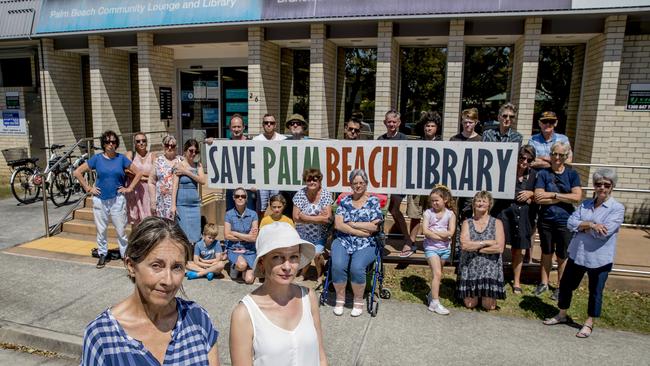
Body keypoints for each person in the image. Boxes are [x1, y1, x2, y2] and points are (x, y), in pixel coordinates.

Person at [81, 217, 220, 365]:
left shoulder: (198, 319)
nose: (168, 280)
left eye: (177, 267)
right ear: (131, 266)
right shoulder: (102, 336)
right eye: (156, 265)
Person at [229, 222, 327, 365]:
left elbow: (320, 356)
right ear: (262, 263)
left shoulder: (308, 297)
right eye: (277, 257)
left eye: (293, 257)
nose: (287, 267)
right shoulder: (244, 314)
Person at [543, 168, 625, 338]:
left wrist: (584, 226)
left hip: (600, 258)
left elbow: (605, 233)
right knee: (566, 285)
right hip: (578, 253)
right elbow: (571, 222)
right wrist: (592, 225)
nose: (602, 187)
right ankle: (562, 314)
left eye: (606, 185)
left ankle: (589, 323)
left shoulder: (617, 208)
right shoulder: (586, 204)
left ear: (612, 186)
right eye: (598, 184)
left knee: (595, 291)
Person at [74, 130, 143, 268]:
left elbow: (139, 172)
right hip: (100, 199)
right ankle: (102, 254)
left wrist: (129, 188)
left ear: (116, 143)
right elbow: (77, 172)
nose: (110, 144)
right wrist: (89, 188)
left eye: (113, 141)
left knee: (121, 230)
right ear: (103, 144)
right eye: (107, 142)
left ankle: (124, 255)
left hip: (117, 199)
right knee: (101, 230)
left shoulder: (121, 158)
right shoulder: (97, 159)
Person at [533, 141, 582, 299]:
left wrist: (553, 195)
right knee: (546, 252)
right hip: (546, 218)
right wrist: (562, 198)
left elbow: (576, 197)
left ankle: (561, 286)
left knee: (562, 255)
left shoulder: (572, 174)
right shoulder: (543, 174)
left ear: (566, 156)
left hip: (565, 220)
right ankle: (543, 283)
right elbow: (539, 197)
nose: (557, 157)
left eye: (561, 155)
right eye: (554, 154)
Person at [331, 169, 383, 317]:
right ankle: (340, 298)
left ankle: (358, 300)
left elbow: (374, 227)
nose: (358, 186)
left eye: (361, 183)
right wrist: (359, 229)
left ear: (366, 184)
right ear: (350, 184)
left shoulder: (373, 202)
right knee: (338, 265)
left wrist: (352, 223)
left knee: (356, 267)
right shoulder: (344, 201)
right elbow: (339, 225)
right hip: (343, 239)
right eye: (355, 183)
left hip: (367, 243)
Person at [457, 191, 506, 310]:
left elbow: (499, 247)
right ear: (473, 204)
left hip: (490, 268)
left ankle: (485, 294)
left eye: (484, 201)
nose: (481, 203)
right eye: (478, 201)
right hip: (470, 267)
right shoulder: (466, 222)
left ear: (489, 204)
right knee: (470, 305)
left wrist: (475, 248)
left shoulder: (497, 223)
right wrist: (486, 242)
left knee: (488, 306)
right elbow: (464, 245)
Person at [500, 145, 538, 294]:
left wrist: (531, 194)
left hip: (523, 215)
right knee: (500, 247)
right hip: (504, 212)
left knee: (518, 249)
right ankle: (498, 277)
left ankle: (516, 281)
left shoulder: (535, 175)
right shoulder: (508, 171)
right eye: (522, 158)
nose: (524, 161)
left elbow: (540, 194)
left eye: (528, 159)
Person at [377, 110, 413, 257]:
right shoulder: (380, 139)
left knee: (394, 209)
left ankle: (408, 239)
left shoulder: (404, 138)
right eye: (389, 121)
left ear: (399, 123)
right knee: (380, 210)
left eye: (394, 121)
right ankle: (379, 239)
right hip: (383, 179)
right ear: (385, 123)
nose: (391, 124)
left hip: (398, 180)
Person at [407, 111, 443, 244]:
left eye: (432, 126)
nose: (429, 128)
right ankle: (411, 242)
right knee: (415, 215)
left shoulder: (442, 144)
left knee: (434, 215)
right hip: (417, 183)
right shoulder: (417, 143)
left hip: (434, 186)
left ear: (436, 128)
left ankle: (432, 243)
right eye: (427, 126)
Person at [422, 185, 457, 315]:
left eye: (437, 200)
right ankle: (435, 303)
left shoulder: (450, 214)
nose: (434, 203)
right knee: (437, 274)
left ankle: (431, 295)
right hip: (431, 248)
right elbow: (425, 231)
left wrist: (435, 233)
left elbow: (451, 232)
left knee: (437, 274)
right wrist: (441, 235)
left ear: (445, 199)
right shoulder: (428, 213)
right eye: (432, 201)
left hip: (445, 249)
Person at [293, 168, 333, 280]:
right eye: (309, 180)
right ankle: (303, 273)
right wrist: (319, 218)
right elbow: (296, 217)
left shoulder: (325, 194)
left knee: (317, 254)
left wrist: (305, 217)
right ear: (305, 181)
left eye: (315, 180)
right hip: (303, 234)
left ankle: (320, 274)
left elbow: (327, 219)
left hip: (320, 234)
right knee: (304, 252)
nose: (312, 182)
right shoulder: (300, 194)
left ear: (320, 181)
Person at [172, 138, 205, 244]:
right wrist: (173, 205)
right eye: (191, 150)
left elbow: (202, 180)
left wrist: (186, 172)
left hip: (194, 204)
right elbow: (175, 186)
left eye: (196, 151)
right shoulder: (179, 165)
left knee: (196, 230)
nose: (193, 153)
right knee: (184, 230)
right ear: (185, 151)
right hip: (182, 203)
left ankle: (194, 255)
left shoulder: (198, 165)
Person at [253, 113, 286, 216]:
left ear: (275, 125)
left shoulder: (283, 139)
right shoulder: (256, 140)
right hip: (262, 179)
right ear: (263, 125)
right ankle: (261, 228)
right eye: (266, 122)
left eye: (271, 123)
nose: (269, 125)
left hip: (277, 179)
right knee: (261, 208)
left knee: (276, 205)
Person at [225, 187, 259, 284]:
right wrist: (246, 237)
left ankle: (243, 268)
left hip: (249, 250)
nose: (240, 198)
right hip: (234, 249)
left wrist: (235, 233)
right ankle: (236, 267)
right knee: (242, 265)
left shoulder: (253, 215)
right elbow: (227, 235)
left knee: (248, 280)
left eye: (243, 196)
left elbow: (253, 238)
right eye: (237, 196)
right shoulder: (228, 214)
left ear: (246, 198)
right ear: (233, 198)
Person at [226, 114, 256, 212]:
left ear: (243, 127)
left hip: (248, 188)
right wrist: (211, 142)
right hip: (231, 187)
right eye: (234, 127)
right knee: (231, 215)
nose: (236, 129)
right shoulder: (225, 144)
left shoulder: (252, 144)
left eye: (239, 126)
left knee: (250, 215)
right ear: (230, 128)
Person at [125, 132, 154, 226]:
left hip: (148, 192)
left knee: (149, 221)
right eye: (138, 141)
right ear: (134, 143)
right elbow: (127, 171)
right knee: (135, 221)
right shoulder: (130, 154)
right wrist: (146, 176)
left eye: (143, 141)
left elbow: (155, 174)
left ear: (147, 142)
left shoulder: (153, 155)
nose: (141, 143)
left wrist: (138, 174)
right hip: (134, 191)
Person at [149, 135, 181, 220]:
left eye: (172, 146)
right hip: (161, 202)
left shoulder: (181, 161)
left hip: (178, 200)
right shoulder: (158, 161)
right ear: (163, 146)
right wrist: (152, 201)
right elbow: (151, 182)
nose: (169, 148)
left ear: (176, 147)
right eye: (167, 145)